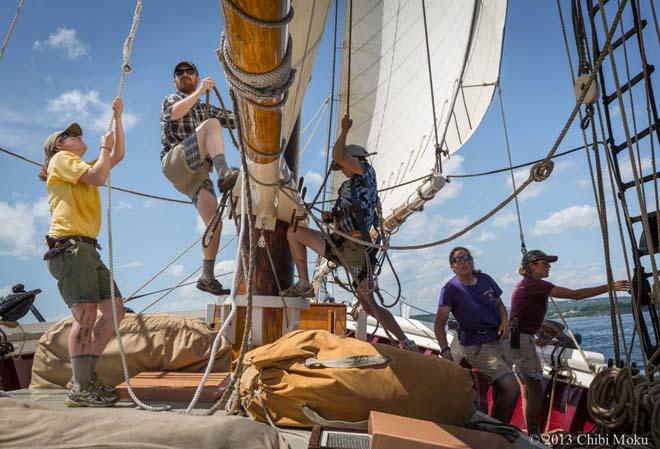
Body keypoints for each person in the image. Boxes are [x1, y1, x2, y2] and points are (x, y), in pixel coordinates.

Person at [281, 115, 416, 351]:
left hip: (355, 248)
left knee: (369, 304)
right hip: (341, 245)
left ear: (355, 160)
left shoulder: (365, 171)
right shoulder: (350, 184)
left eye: (343, 166)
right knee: (294, 233)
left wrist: (344, 130)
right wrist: (329, 217)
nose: (341, 169)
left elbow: (338, 156)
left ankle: (404, 341)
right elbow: (350, 211)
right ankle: (304, 282)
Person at [40, 98, 126, 407]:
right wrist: (103, 148)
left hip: (86, 248)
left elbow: (117, 156)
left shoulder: (77, 165)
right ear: (59, 146)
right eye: (70, 135)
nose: (78, 136)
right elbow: (100, 176)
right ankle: (80, 387)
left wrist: (118, 118)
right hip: (71, 246)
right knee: (86, 314)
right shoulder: (61, 161)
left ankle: (87, 382)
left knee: (115, 310)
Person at [509, 249, 630, 436]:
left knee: (527, 389)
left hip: (516, 338)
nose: (548, 266)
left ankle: (531, 433)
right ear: (532, 266)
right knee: (534, 389)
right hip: (523, 341)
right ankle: (534, 435)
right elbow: (576, 295)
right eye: (545, 263)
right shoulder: (535, 285)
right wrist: (610, 287)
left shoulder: (524, 285)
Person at [160, 61, 238, 296]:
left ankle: (207, 276)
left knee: (215, 222)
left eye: (189, 71)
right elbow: (174, 114)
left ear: (197, 76)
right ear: (175, 81)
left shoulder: (206, 108)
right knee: (211, 125)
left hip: (196, 174)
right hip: (176, 159)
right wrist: (200, 91)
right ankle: (223, 172)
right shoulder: (171, 99)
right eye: (179, 73)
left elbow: (235, 120)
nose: (184, 74)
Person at [434, 246, 519, 424]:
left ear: (472, 261)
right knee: (512, 388)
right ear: (452, 266)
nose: (463, 262)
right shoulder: (450, 289)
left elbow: (501, 306)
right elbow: (439, 324)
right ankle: (499, 431)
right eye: (457, 260)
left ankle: (496, 427)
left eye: (466, 258)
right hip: (477, 346)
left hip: (500, 339)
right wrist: (445, 350)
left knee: (500, 389)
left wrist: (505, 322)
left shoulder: (485, 279)